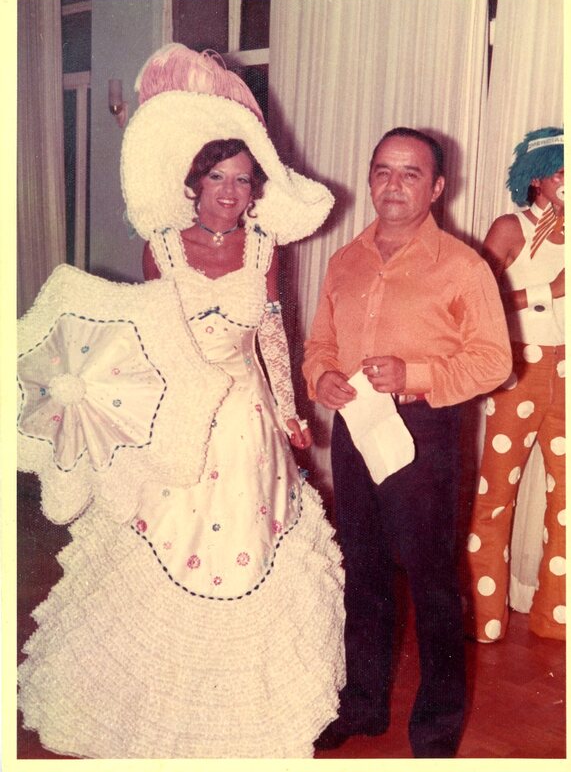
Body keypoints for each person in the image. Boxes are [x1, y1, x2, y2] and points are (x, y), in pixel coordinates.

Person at [17, 44, 345, 758]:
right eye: (218, 177)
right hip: (182, 423)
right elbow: (147, 344)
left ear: (255, 189)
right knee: (166, 539)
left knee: (251, 546)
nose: (230, 191)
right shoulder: (159, 249)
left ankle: (246, 710)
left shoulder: (264, 249)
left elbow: (272, 334)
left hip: (248, 421)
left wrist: (290, 412)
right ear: (193, 184)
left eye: (243, 179)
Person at [303, 127, 512, 758]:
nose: (393, 185)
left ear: (438, 186)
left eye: (411, 173)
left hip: (426, 434)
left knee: (431, 583)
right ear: (370, 179)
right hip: (355, 428)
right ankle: (364, 706)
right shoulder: (344, 260)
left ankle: (437, 733)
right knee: (363, 571)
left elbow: (494, 361)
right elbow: (319, 345)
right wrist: (321, 377)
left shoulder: (463, 266)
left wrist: (415, 375)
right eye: (383, 172)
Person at [466, 127, 565, 643]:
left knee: (566, 502)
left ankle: (555, 619)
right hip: (520, 368)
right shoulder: (512, 227)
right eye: (562, 171)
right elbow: (475, 301)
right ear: (537, 178)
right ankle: (484, 619)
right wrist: (548, 290)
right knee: (495, 495)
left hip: (568, 372)